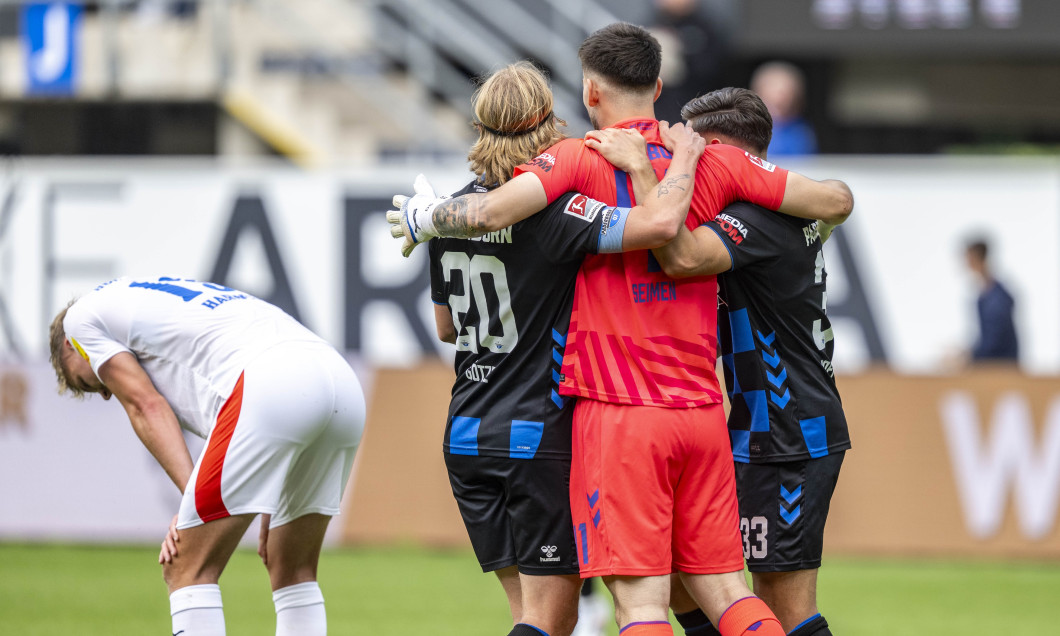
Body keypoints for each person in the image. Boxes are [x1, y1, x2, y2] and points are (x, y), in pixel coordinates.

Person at [390, 22, 853, 636]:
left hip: (619, 412)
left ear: (588, 92)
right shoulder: (716, 161)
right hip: (703, 410)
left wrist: (429, 217)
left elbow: (498, 210)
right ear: (660, 84)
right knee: (723, 590)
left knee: (638, 605)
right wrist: (690, 160)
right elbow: (836, 199)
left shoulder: (578, 158)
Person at [428, 61, 708, 636]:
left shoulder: (453, 213)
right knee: (553, 622)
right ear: (551, 121)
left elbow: (446, 328)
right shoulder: (558, 210)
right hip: (538, 431)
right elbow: (658, 227)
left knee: (526, 617)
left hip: (467, 429)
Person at [589, 86, 850, 636]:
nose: (679, 153)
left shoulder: (754, 219)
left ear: (720, 149)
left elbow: (679, 254)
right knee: (693, 578)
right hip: (763, 425)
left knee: (782, 605)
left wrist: (643, 174)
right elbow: (838, 197)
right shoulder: (783, 204)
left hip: (786, 430)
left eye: (690, 145)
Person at [49, 276, 365, 636]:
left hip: (272, 382)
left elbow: (145, 406)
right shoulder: (143, 296)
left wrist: (190, 504)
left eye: (88, 383)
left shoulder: (79, 322)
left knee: (186, 565)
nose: (106, 393)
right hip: (341, 381)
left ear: (72, 347)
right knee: (291, 566)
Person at [965, 239, 1019, 363]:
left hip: (1001, 367)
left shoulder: (997, 298)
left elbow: (994, 341)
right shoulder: (985, 296)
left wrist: (970, 357)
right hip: (992, 364)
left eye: (970, 260)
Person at [750, 61, 817, 157]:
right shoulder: (743, 129)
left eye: (785, 95)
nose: (779, 99)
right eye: (771, 95)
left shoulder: (800, 132)